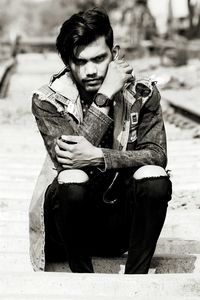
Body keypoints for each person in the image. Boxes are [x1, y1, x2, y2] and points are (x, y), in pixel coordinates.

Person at [29, 7, 172, 274]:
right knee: (72, 180)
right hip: (66, 228)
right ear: (67, 63)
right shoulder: (48, 99)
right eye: (80, 62)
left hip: (119, 225)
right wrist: (104, 96)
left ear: (114, 54)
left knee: (155, 177)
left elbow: (156, 154)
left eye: (99, 59)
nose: (91, 70)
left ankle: (136, 280)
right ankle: (82, 278)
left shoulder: (143, 93)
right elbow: (69, 160)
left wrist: (99, 157)